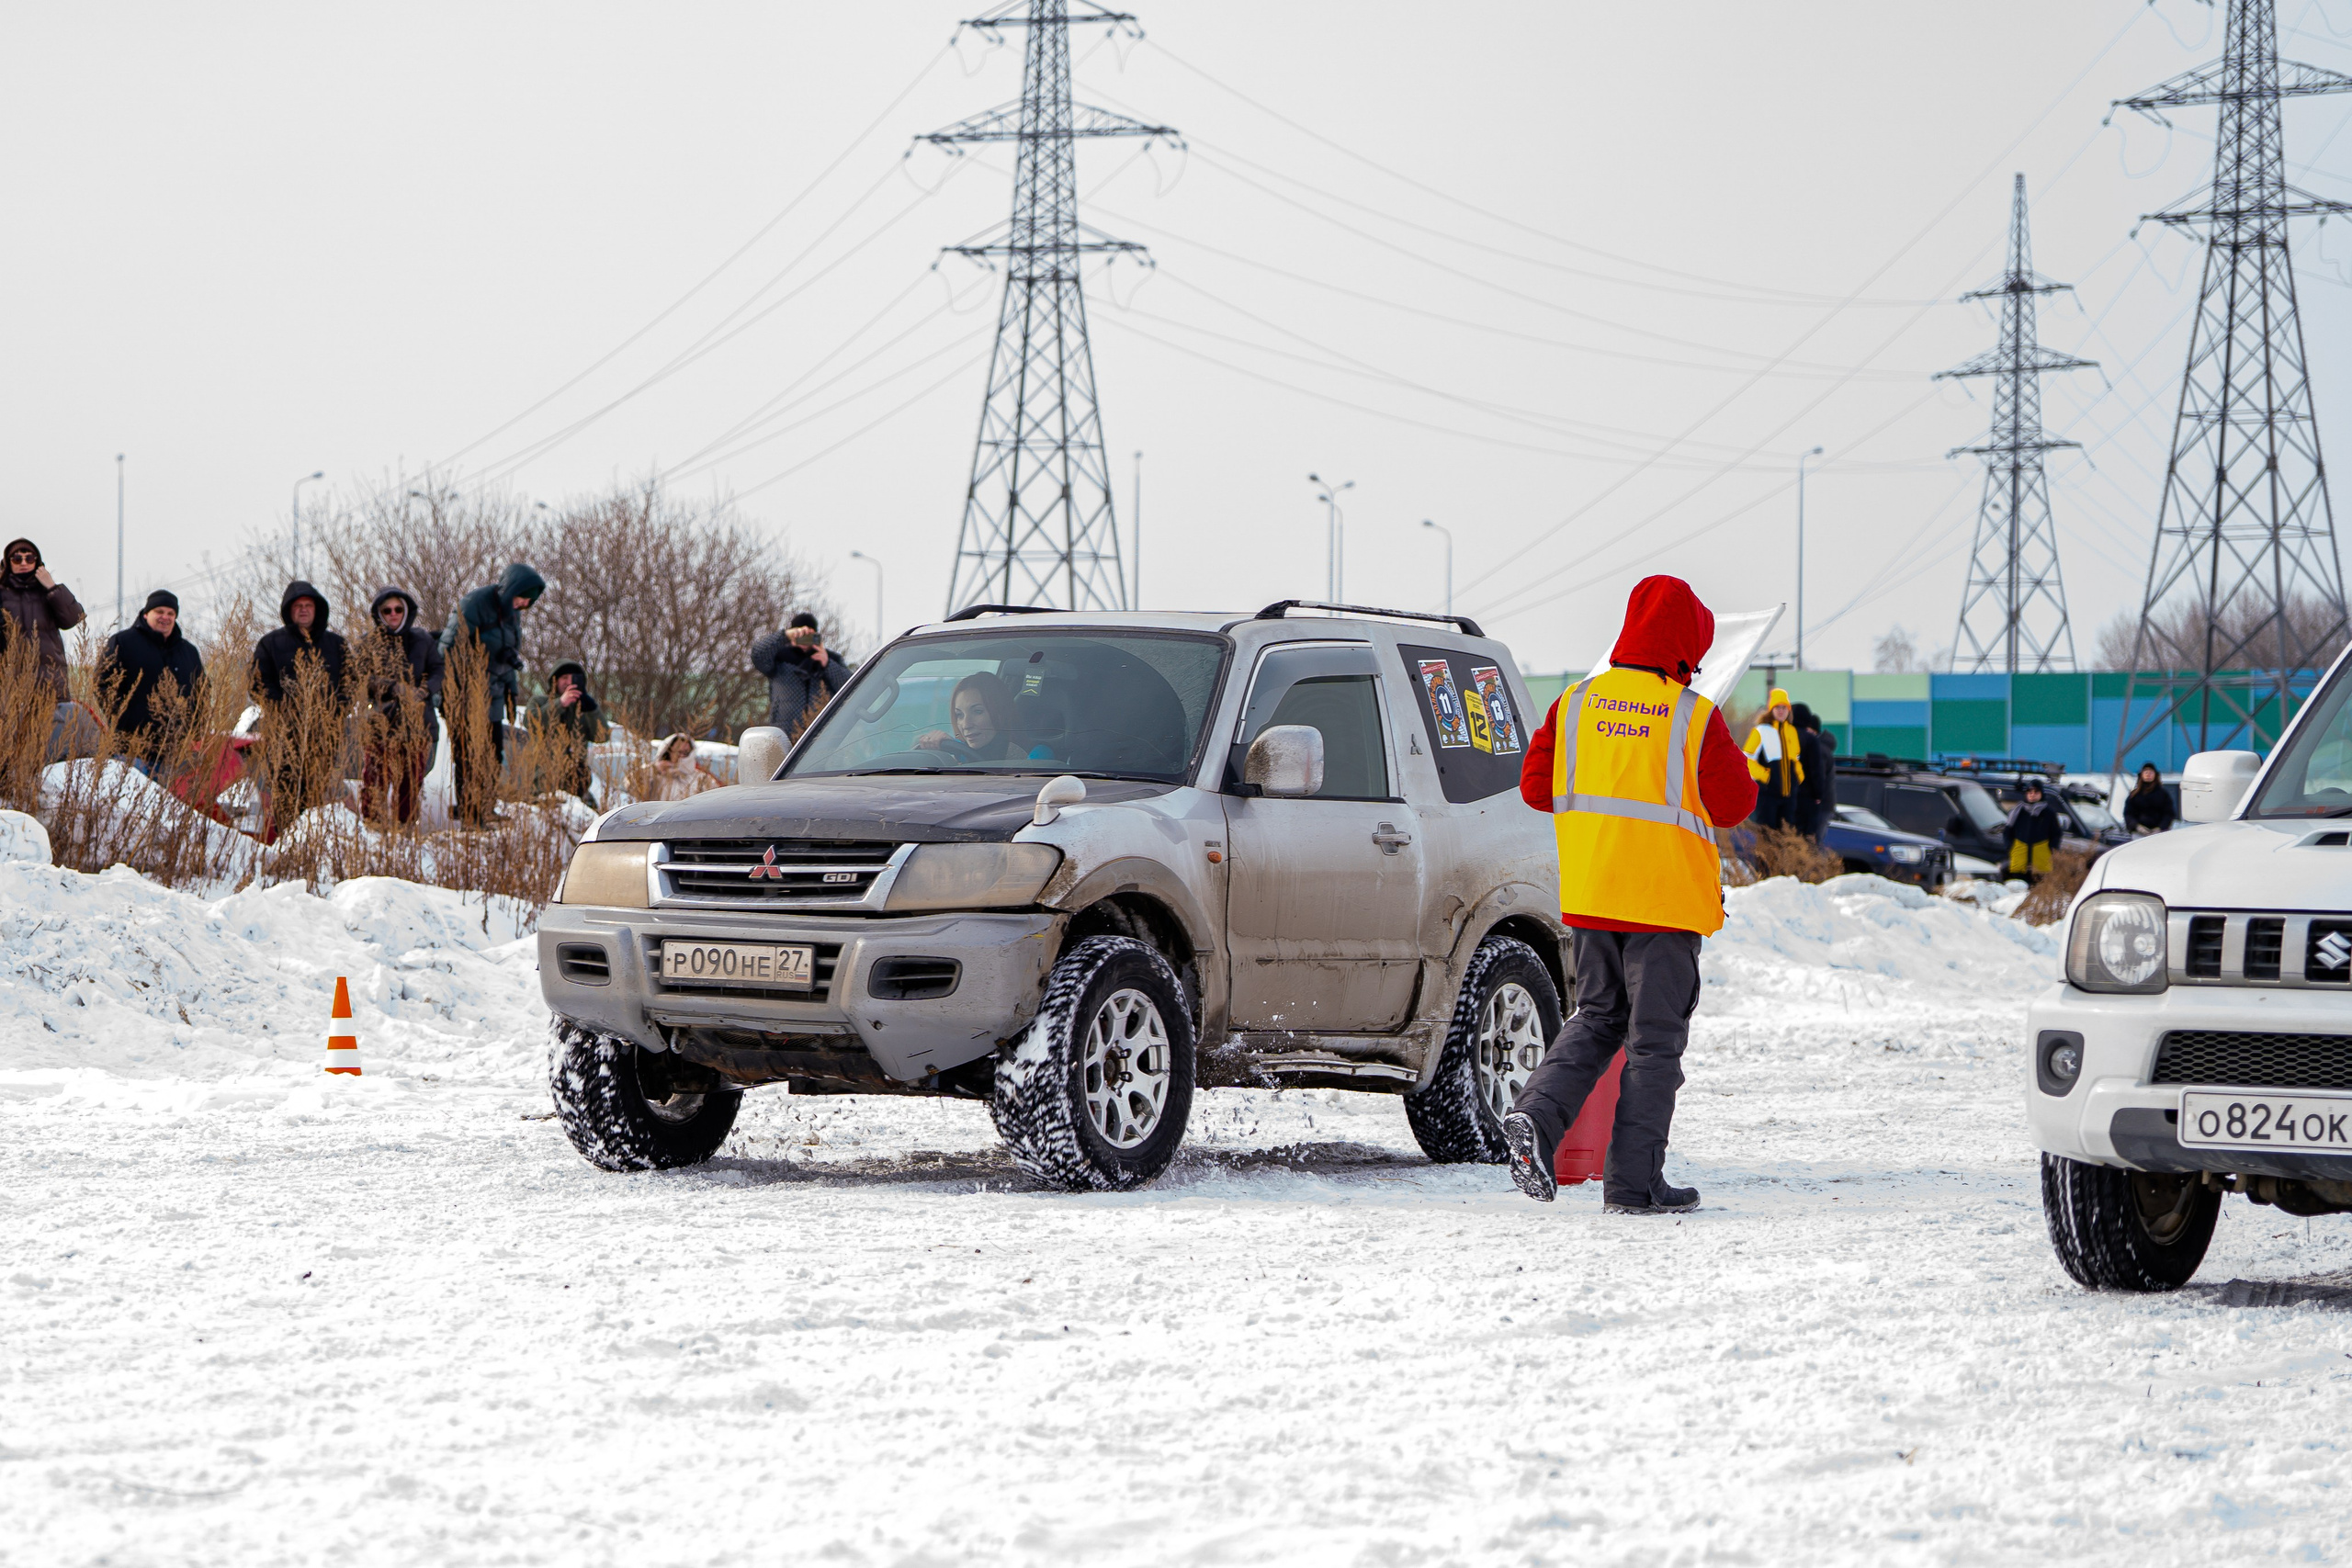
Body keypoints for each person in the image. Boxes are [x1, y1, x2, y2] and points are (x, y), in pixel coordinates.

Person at [1500, 575, 1758, 1214]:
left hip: (1593, 898)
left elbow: (1536, 788)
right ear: (1686, 644)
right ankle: (1634, 1184)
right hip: (1663, 908)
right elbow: (1735, 802)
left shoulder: (1574, 704)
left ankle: (1536, 1115)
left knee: (1596, 1019)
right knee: (1652, 1042)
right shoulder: (1694, 714)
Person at [439, 562, 546, 827]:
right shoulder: (475, 603)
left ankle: (485, 807)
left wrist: (512, 690)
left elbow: (508, 656)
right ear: (510, 590)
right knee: (469, 755)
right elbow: (449, 648)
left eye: (528, 601)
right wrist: (458, 686)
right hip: (465, 694)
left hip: (494, 695)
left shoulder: (513, 614)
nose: (523, 604)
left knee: (493, 754)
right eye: (521, 597)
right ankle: (470, 813)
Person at [251, 581, 352, 839]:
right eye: (298, 606)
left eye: (308, 605)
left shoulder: (337, 645)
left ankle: (313, 845)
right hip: (284, 735)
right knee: (285, 794)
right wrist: (284, 709)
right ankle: (288, 844)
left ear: (318, 609)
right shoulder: (270, 643)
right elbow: (258, 684)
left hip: (325, 735)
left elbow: (352, 683)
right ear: (289, 610)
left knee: (319, 793)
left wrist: (335, 709)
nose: (304, 610)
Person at [359, 586, 445, 826]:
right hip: (380, 725)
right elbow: (360, 677)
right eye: (387, 610)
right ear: (379, 613)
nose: (393, 614)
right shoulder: (368, 643)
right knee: (374, 783)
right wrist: (393, 688)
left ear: (406, 610)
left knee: (410, 786)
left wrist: (425, 690)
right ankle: (373, 832)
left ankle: (404, 836)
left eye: (398, 609)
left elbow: (439, 670)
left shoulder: (422, 639)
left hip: (416, 725)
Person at [98, 591, 204, 770]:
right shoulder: (123, 643)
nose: (165, 617)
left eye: (171, 613)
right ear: (146, 613)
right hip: (130, 751)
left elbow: (201, 693)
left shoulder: (188, 652)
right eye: (159, 612)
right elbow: (103, 685)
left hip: (175, 754)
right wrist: (123, 720)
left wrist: (195, 731)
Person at [0, 537, 85, 703]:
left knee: (53, 728)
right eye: (17, 559)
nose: (23, 563)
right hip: (10, 682)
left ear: (37, 562)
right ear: (8, 562)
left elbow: (73, 618)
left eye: (29, 558)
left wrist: (52, 587)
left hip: (50, 681)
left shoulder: (48, 593)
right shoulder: (2, 594)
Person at [752, 612, 852, 739]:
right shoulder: (780, 659)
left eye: (808, 637)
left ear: (816, 636)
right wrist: (785, 635)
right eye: (801, 636)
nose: (804, 641)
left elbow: (850, 686)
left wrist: (827, 664)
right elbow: (757, 654)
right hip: (785, 735)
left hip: (822, 735)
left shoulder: (831, 660)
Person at [527, 660, 608, 807]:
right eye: (564, 678)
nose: (569, 682)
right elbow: (531, 722)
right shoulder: (540, 701)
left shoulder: (583, 709)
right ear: (555, 680)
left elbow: (602, 736)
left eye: (573, 678)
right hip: (544, 784)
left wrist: (592, 709)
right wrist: (560, 703)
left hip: (576, 786)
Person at [914, 671, 1016, 762]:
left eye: (977, 711)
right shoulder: (958, 754)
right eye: (959, 715)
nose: (966, 725)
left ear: (1000, 713)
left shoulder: (1027, 759)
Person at [1742, 686, 1804, 831]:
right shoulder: (1761, 731)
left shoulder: (1792, 731)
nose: (1781, 711)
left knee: (1787, 839)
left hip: (1790, 797)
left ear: (1789, 710)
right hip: (1768, 796)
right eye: (1777, 707)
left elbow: (1796, 759)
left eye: (1784, 707)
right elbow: (1746, 759)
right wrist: (1765, 776)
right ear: (1771, 709)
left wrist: (1799, 778)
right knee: (1767, 836)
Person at [2005, 777, 2065, 882]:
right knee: (2019, 892)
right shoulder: (2018, 811)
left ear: (2041, 794)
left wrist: (2051, 849)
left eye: (2036, 792)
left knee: (2039, 891)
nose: (2032, 795)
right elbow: (2007, 832)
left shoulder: (2048, 813)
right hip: (2019, 862)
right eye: (2030, 792)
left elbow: (2056, 834)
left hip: (2041, 862)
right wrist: (2011, 848)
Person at [1790, 702, 1834, 839]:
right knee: (1807, 841)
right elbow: (1816, 770)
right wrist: (1818, 795)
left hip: (1784, 796)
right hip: (1807, 797)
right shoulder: (1811, 740)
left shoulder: (1783, 736)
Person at [649, 732, 722, 801]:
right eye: (678, 752)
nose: (681, 756)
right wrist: (653, 769)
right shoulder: (654, 774)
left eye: (686, 753)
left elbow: (717, 799)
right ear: (668, 751)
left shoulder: (701, 778)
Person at [2123, 762, 2176, 835]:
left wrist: (2160, 828)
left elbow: (2169, 813)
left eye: (2151, 772)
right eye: (2146, 772)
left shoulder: (2163, 794)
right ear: (2141, 775)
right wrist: (2137, 826)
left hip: (2159, 833)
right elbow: (2128, 814)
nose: (2148, 775)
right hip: (2138, 833)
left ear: (2155, 775)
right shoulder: (2134, 795)